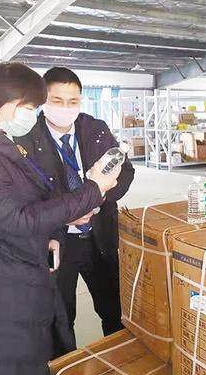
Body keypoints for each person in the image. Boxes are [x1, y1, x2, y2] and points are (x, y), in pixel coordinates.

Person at [0, 63, 120, 375]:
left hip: (8, 278)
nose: (32, 115)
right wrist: (93, 189)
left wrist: (52, 234)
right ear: (0, 99)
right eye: (30, 106)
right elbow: (18, 217)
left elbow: (23, 202)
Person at [16, 67, 135, 353]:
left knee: (115, 310)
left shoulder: (95, 129)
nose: (65, 108)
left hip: (99, 237)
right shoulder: (25, 139)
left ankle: (119, 362)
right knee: (60, 319)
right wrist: (65, 214)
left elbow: (125, 172)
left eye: (73, 101)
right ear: (43, 101)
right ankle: (66, 366)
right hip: (56, 242)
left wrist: (96, 201)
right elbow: (24, 198)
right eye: (56, 101)